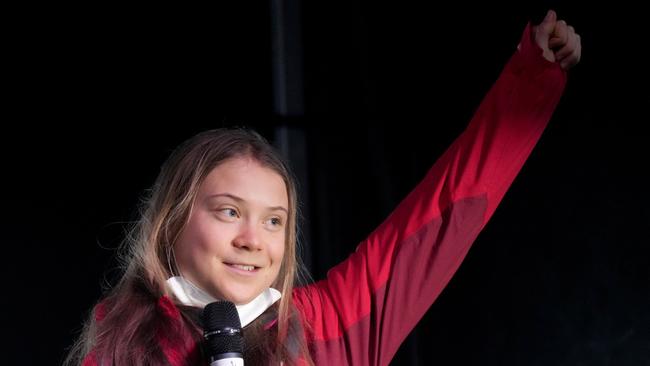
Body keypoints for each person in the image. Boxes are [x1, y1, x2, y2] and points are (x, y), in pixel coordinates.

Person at [66, 9, 581, 366]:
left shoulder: (328, 325)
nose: (253, 239)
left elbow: (447, 208)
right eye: (228, 212)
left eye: (274, 220)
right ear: (172, 223)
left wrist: (532, 81)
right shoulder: (117, 347)